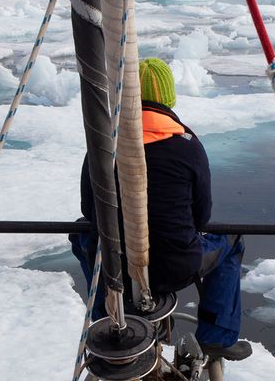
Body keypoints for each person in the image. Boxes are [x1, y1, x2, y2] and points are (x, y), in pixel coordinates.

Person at [70, 57, 251, 361]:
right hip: (177, 267)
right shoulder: (187, 145)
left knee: (82, 232)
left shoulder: (103, 145)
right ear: (168, 97)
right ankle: (217, 336)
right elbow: (201, 216)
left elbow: (91, 211)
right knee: (231, 239)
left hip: (117, 271)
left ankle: (106, 319)